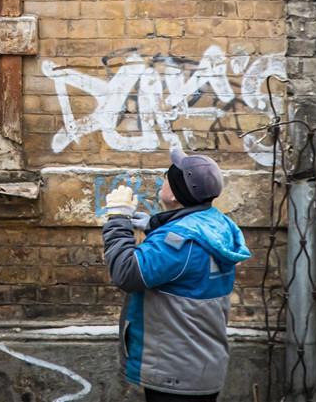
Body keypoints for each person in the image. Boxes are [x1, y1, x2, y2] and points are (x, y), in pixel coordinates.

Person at [102, 148, 250, 402]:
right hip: (200, 363)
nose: (163, 180)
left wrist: (118, 219)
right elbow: (186, 241)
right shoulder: (217, 224)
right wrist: (153, 223)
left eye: (168, 177)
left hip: (174, 372)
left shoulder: (178, 242)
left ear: (175, 193)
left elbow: (126, 273)